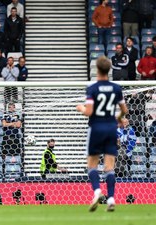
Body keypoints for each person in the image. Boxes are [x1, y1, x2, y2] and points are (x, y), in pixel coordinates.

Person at [76, 56, 128, 212]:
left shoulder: (92, 88)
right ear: (109, 70)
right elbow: (124, 111)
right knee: (109, 167)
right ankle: (111, 198)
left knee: (92, 165)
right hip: (112, 128)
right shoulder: (116, 88)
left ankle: (97, 191)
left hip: (96, 128)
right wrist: (118, 119)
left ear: (97, 69)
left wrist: (80, 108)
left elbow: (89, 111)